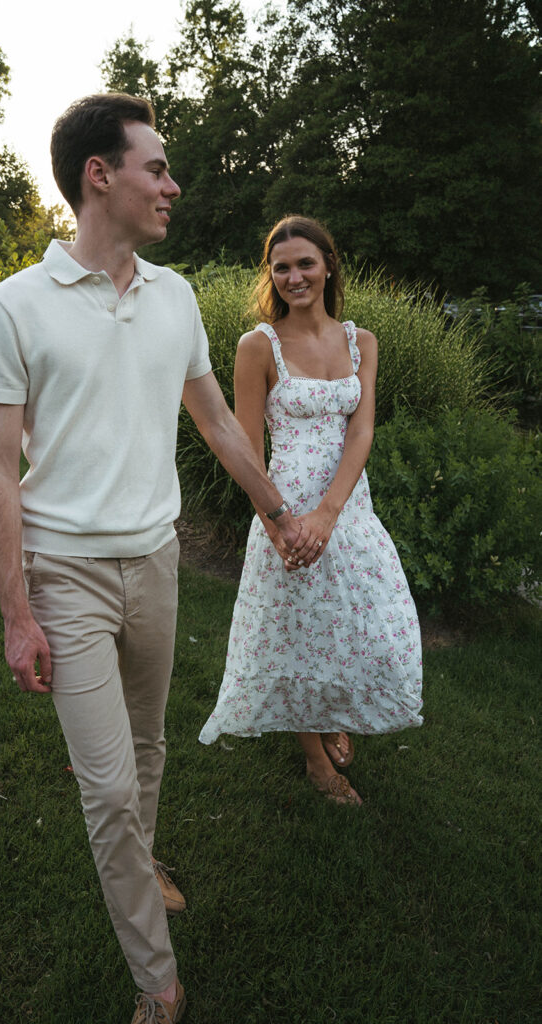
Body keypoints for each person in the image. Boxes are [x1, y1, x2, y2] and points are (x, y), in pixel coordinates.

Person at [0, 96, 317, 1024]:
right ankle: (155, 980)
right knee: (107, 782)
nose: (172, 184)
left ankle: (140, 865)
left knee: (149, 749)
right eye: (156, 167)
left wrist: (279, 510)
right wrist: (17, 614)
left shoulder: (171, 300)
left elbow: (211, 420)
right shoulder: (13, 307)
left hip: (154, 562)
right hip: (64, 574)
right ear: (100, 176)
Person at [199, 216, 423, 804]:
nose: (294, 276)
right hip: (285, 508)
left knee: (355, 621)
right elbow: (246, 446)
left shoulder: (361, 341)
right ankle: (316, 762)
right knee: (293, 631)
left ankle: (331, 713)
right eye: (281, 267)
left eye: (304, 263)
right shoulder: (259, 345)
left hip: (346, 503)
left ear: (328, 265)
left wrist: (330, 513)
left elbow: (362, 432)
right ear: (270, 275)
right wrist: (280, 523)